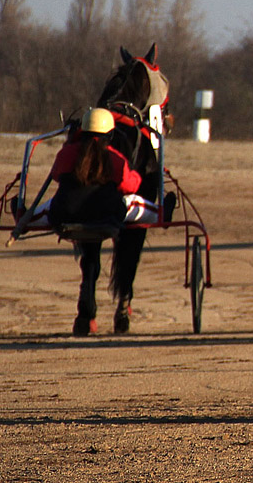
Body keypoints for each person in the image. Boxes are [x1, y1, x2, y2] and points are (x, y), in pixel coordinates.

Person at [43, 108, 150, 335]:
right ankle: (164, 211)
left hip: (66, 216)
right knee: (136, 205)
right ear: (110, 135)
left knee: (48, 207)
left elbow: (55, 175)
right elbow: (132, 185)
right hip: (106, 218)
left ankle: (86, 312)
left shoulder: (67, 155)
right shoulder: (116, 159)